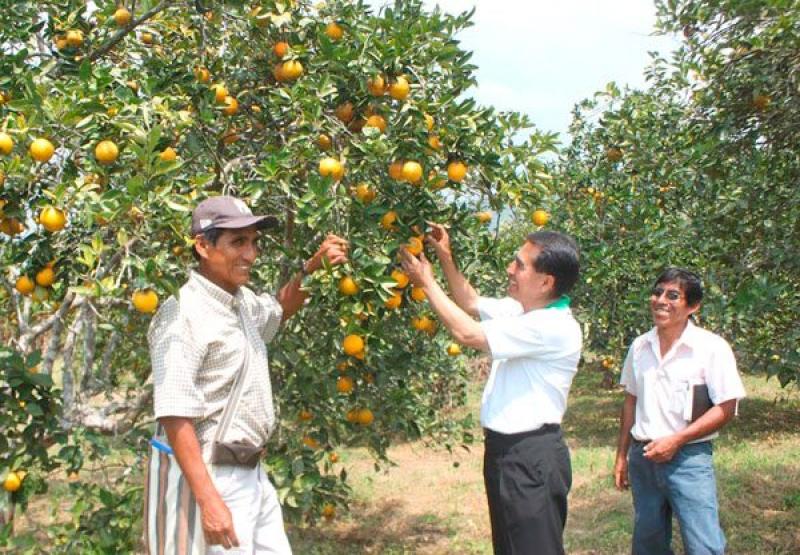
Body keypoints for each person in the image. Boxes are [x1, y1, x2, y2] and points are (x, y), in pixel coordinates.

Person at [146, 195, 348, 554]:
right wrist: (209, 501)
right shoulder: (183, 313)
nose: (251, 255)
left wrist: (313, 268)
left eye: (254, 242)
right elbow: (175, 414)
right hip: (213, 475)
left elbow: (277, 310)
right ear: (203, 246)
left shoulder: (240, 302)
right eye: (238, 242)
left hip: (251, 472)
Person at [400, 223, 582, 555]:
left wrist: (425, 282)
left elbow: (468, 334)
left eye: (520, 264)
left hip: (531, 456)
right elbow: (469, 301)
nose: (510, 269)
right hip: (505, 452)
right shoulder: (522, 311)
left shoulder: (553, 326)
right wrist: (444, 255)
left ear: (546, 281)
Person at [613, 268, 746, 555]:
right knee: (648, 542)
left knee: (703, 544)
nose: (661, 300)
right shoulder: (640, 346)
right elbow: (631, 400)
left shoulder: (711, 348)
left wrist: (677, 440)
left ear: (693, 306)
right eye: (657, 292)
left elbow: (726, 407)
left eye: (673, 295)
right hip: (644, 457)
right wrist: (622, 455)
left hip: (689, 460)